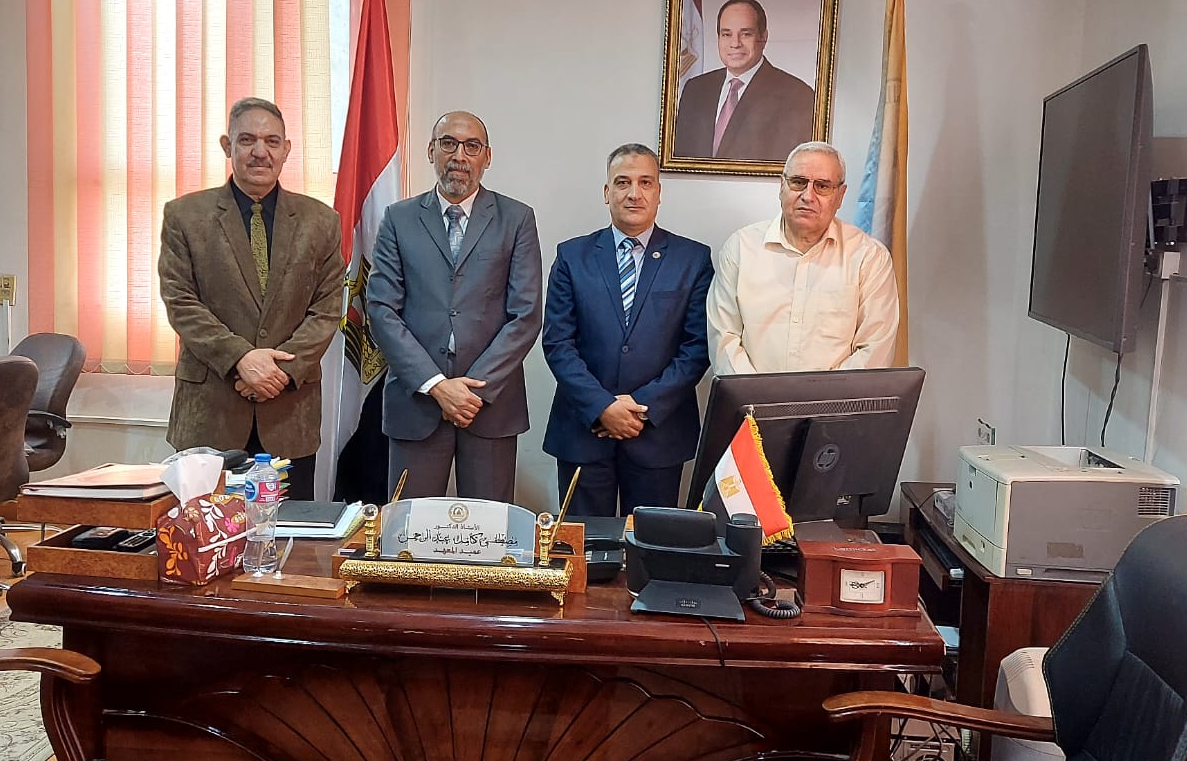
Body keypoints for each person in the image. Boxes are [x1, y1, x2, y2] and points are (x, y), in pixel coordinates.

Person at [158, 97, 346, 500]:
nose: (260, 151)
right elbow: (181, 302)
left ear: (286, 149)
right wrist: (241, 359)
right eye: (247, 140)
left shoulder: (321, 221)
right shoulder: (184, 216)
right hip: (211, 414)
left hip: (289, 413)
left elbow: (327, 309)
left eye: (271, 141)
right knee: (204, 531)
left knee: (290, 533)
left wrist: (278, 372)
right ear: (227, 146)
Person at [366, 111, 543, 502]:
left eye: (471, 146)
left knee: (488, 530)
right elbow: (381, 310)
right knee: (410, 526)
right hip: (416, 401)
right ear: (432, 151)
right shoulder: (398, 218)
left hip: (490, 405)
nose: (459, 155)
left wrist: (472, 391)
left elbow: (526, 315)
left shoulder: (517, 219)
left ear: (487, 156)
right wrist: (436, 385)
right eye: (448, 143)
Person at [542, 143, 713, 516]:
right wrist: (602, 406)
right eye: (622, 182)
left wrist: (640, 408)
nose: (634, 193)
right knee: (586, 546)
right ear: (607, 192)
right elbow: (558, 343)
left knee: (651, 546)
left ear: (658, 192)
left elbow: (697, 348)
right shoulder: (571, 257)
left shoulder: (693, 259)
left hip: (658, 434)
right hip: (583, 431)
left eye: (645, 182)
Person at [707, 142, 899, 374]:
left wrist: (820, 397)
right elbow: (723, 339)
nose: (808, 196)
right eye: (798, 182)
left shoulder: (870, 257)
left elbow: (874, 351)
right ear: (782, 186)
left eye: (822, 186)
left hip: (838, 398)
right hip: (750, 397)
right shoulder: (740, 248)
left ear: (840, 196)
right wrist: (757, 395)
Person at [672, 0, 816, 166]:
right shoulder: (695, 89)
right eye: (726, 34)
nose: (735, 43)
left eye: (746, 34)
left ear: (763, 37)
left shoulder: (797, 96)